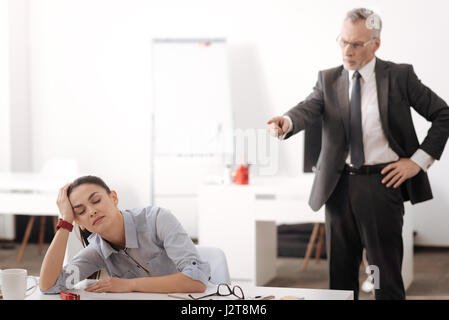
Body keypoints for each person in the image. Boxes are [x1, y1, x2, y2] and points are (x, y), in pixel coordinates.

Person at [267, 8, 449, 300]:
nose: (346, 50)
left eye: (356, 44)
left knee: (382, 277)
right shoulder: (328, 80)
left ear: (376, 43)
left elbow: (443, 115)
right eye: (342, 41)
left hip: (382, 185)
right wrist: (286, 122)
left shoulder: (400, 76)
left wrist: (417, 162)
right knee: (340, 278)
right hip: (338, 188)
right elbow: (307, 108)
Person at [39, 175, 210, 294]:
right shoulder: (97, 251)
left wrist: (130, 284)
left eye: (96, 200)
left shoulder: (157, 220)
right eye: (81, 211)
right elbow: (49, 286)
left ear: (113, 197)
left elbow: (196, 280)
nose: (91, 211)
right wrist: (66, 223)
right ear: (81, 225)